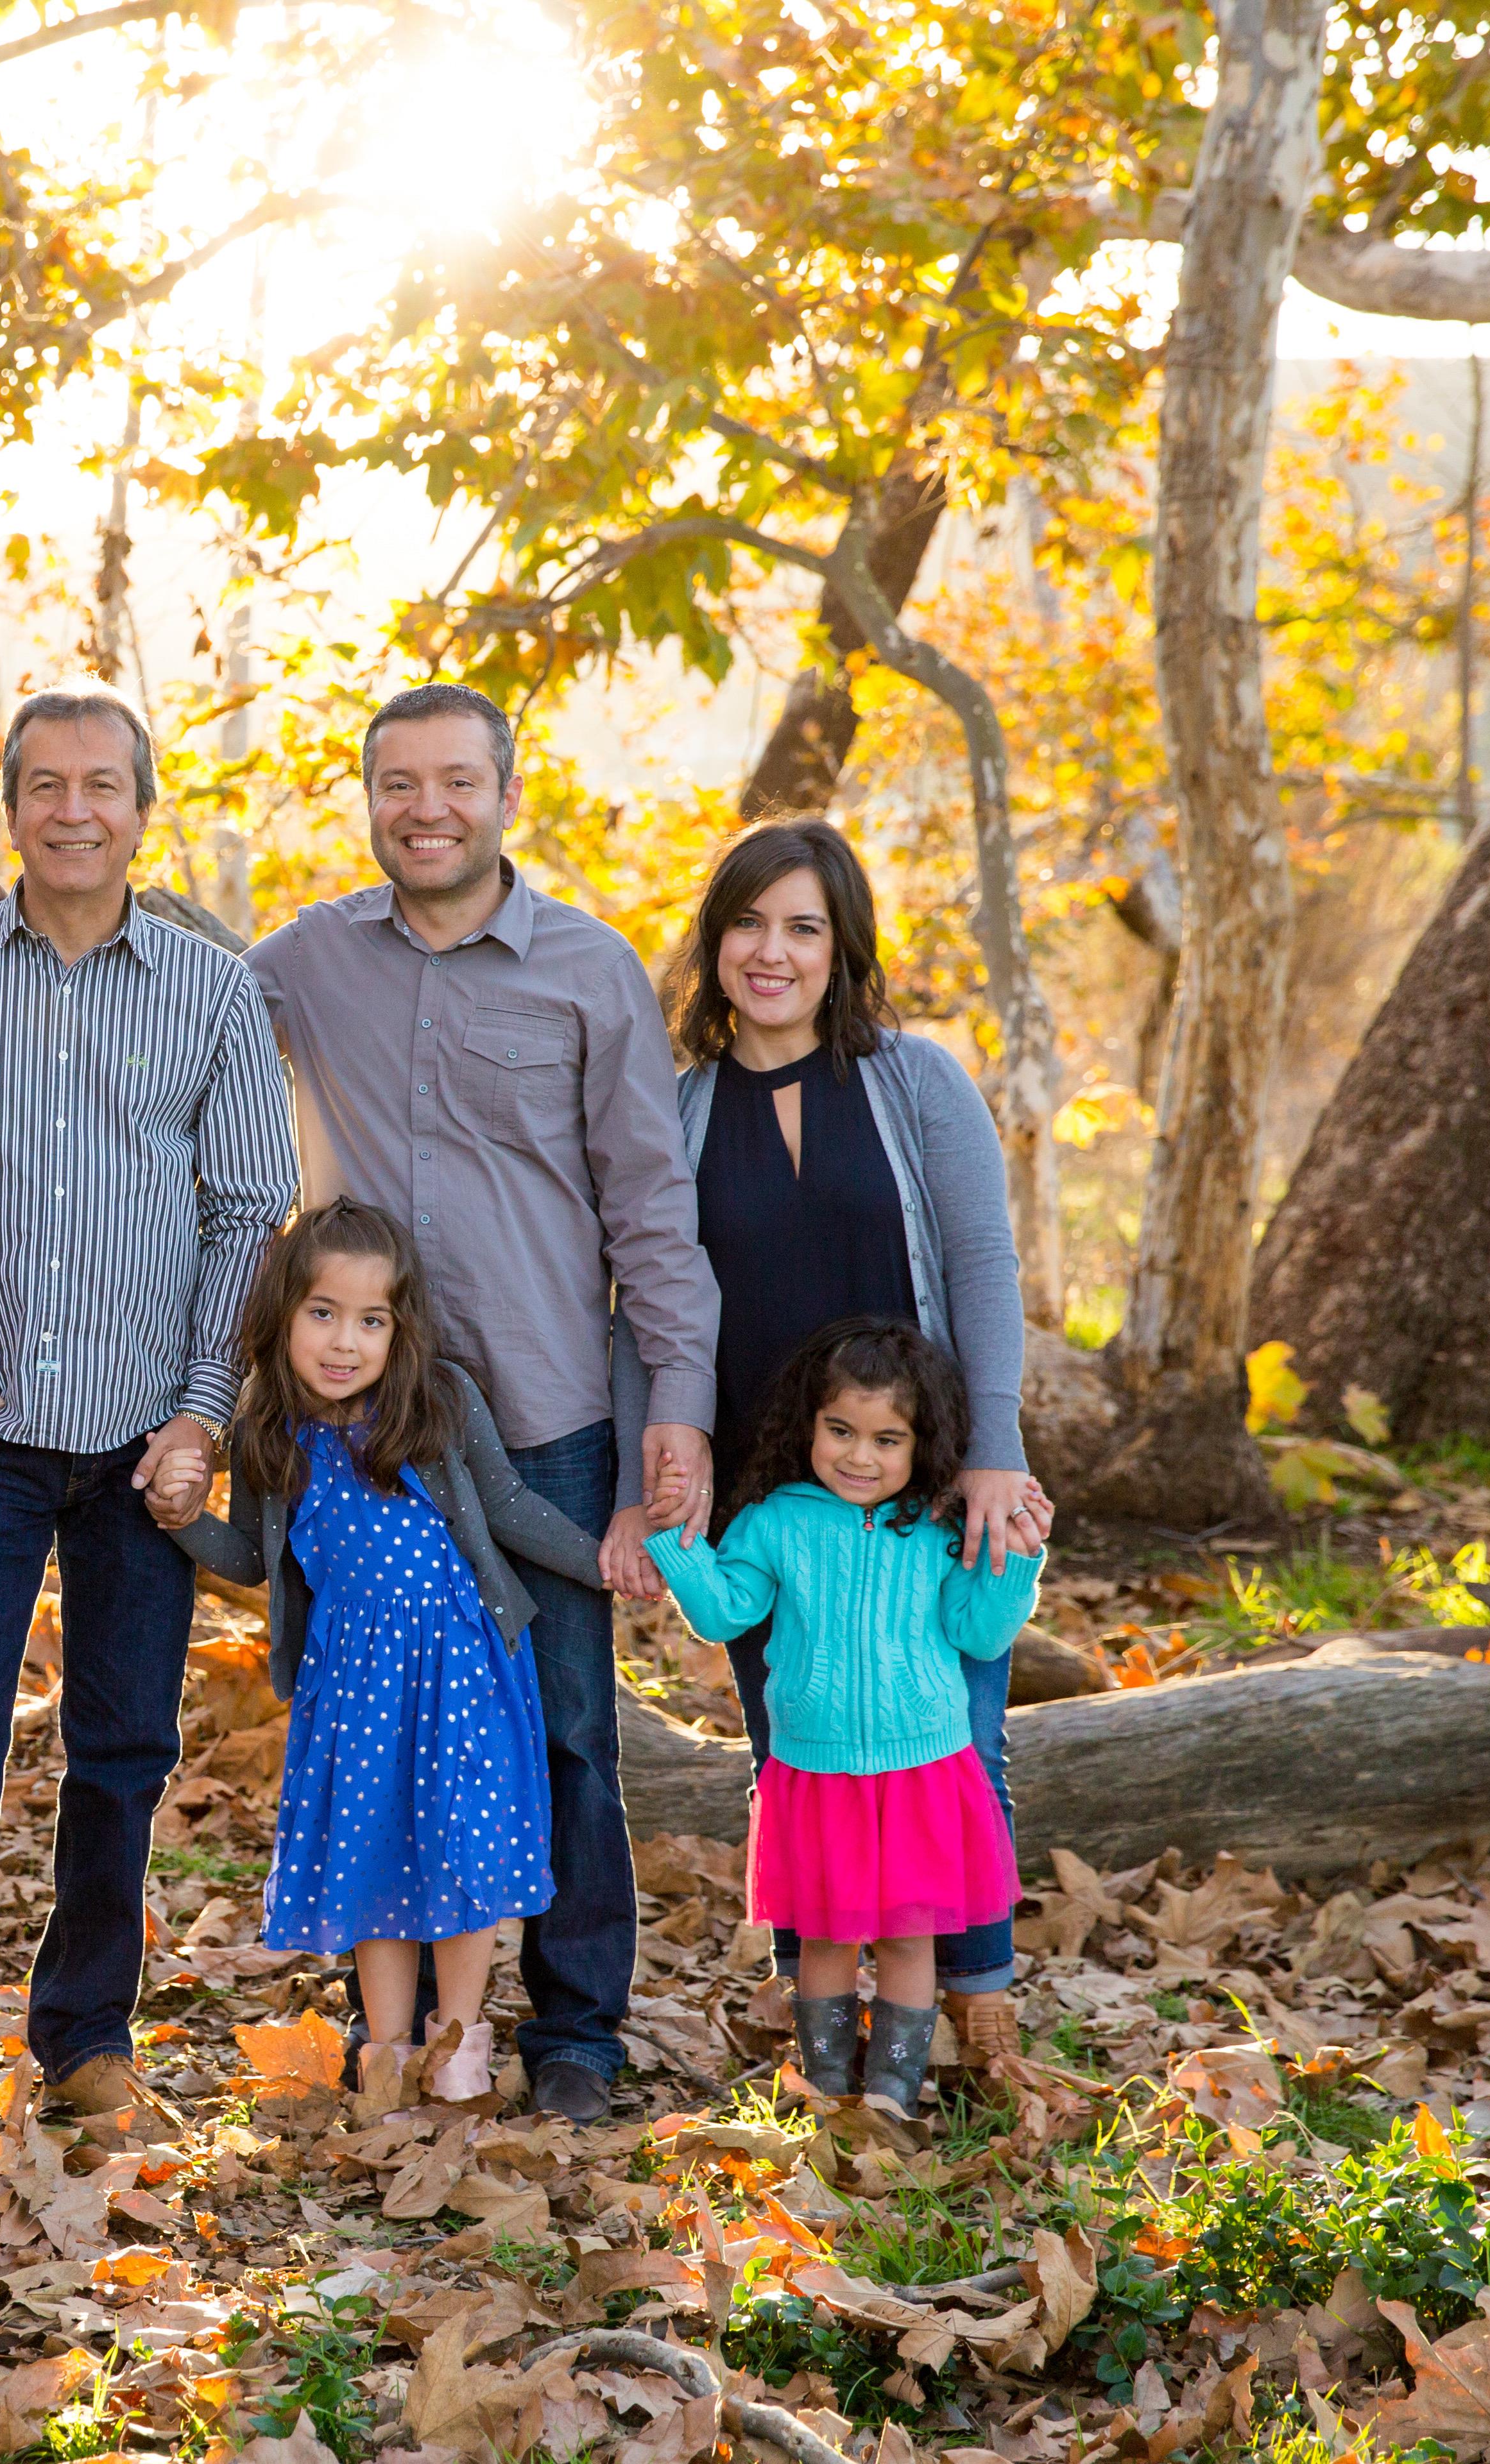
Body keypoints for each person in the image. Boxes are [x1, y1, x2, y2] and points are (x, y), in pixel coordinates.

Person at [0, 679, 718, 2123]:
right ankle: (396, 2031)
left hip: (536, 1400)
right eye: (398, 782)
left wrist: (680, 1404)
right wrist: (28, 886)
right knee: (378, 1716)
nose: (426, 808)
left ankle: (577, 2033)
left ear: (506, 793)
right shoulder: (306, 959)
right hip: (349, 1410)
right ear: (370, 800)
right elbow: (156, 961)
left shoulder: (591, 970)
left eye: (455, 781)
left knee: (570, 1733)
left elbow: (656, 1211)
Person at [0, 685, 300, 2148]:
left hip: (139, 1448)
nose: (73, 808)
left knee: (119, 1746)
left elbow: (247, 1218)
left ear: (141, 810)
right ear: (10, 809)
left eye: (103, 784)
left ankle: (86, 2034)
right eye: (44, 784)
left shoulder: (210, 991)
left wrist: (198, 1415)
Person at [602, 819, 1051, 2070]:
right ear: (715, 940)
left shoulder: (915, 1083)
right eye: (748, 922)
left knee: (961, 1738)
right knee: (793, 1748)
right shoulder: (680, 1111)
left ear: (842, 947)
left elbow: (980, 1264)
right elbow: (643, 1304)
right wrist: (655, 1477)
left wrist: (993, 1453)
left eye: (803, 926)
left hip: (916, 1477)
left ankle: (980, 2016)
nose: (772, 951)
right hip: (766, 1494)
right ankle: (833, 2034)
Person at [161, 1202, 612, 2105]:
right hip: (354, 1684)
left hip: (461, 1666)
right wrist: (179, 1524)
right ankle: (386, 2055)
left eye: (373, 1321)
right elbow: (253, 1557)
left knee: (462, 1847)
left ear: (400, 1331)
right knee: (374, 1851)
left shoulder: (438, 1402)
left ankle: (458, 2048)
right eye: (322, 1312)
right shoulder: (269, 1432)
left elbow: (513, 1510)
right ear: (283, 1313)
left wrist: (606, 1564)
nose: (344, 1341)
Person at [642, 1318, 1040, 2118]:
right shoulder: (775, 1520)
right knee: (822, 1938)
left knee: (907, 1937)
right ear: (811, 1424)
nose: (861, 1457)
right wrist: (674, 1543)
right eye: (841, 1432)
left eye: (887, 1439)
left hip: (923, 1769)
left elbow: (978, 1633)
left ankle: (894, 2088)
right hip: (815, 1771)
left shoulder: (932, 1524)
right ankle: (826, 2080)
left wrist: (1016, 1559)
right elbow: (726, 1615)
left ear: (920, 1443)